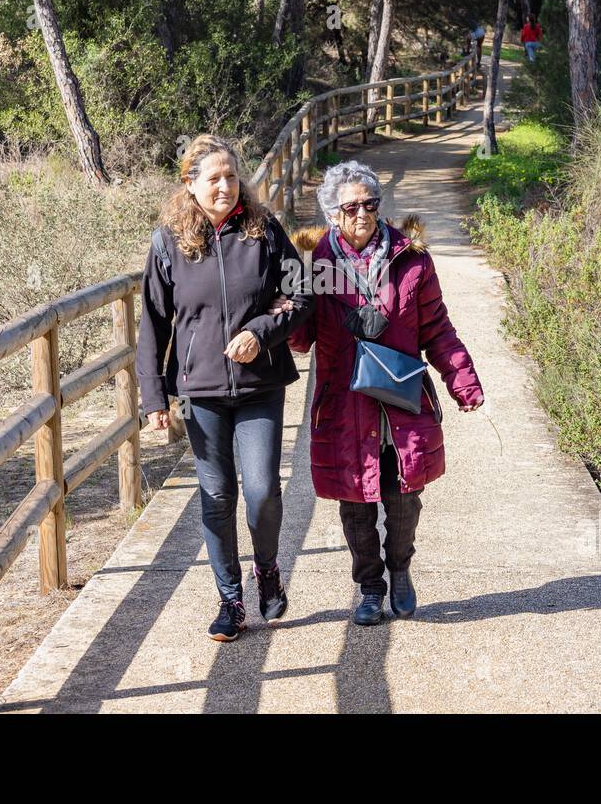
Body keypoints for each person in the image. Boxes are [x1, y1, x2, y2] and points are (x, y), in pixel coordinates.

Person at [279, 161, 484, 626]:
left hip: (400, 401)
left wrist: (463, 381)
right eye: (350, 207)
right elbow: (298, 338)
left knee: (403, 497)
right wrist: (287, 306)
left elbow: (438, 329)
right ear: (332, 213)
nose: (362, 215)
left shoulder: (411, 259)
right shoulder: (314, 267)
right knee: (355, 504)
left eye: (370, 205)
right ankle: (370, 586)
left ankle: (401, 570)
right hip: (343, 405)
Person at [136, 134, 312, 642]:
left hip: (260, 384)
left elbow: (302, 297)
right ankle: (230, 601)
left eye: (231, 176)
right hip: (200, 391)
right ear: (190, 184)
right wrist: (154, 398)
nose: (224, 186)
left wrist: (261, 334)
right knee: (216, 495)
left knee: (260, 492)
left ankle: (268, 568)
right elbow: (153, 322)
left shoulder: (263, 231)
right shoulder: (168, 241)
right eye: (213, 178)